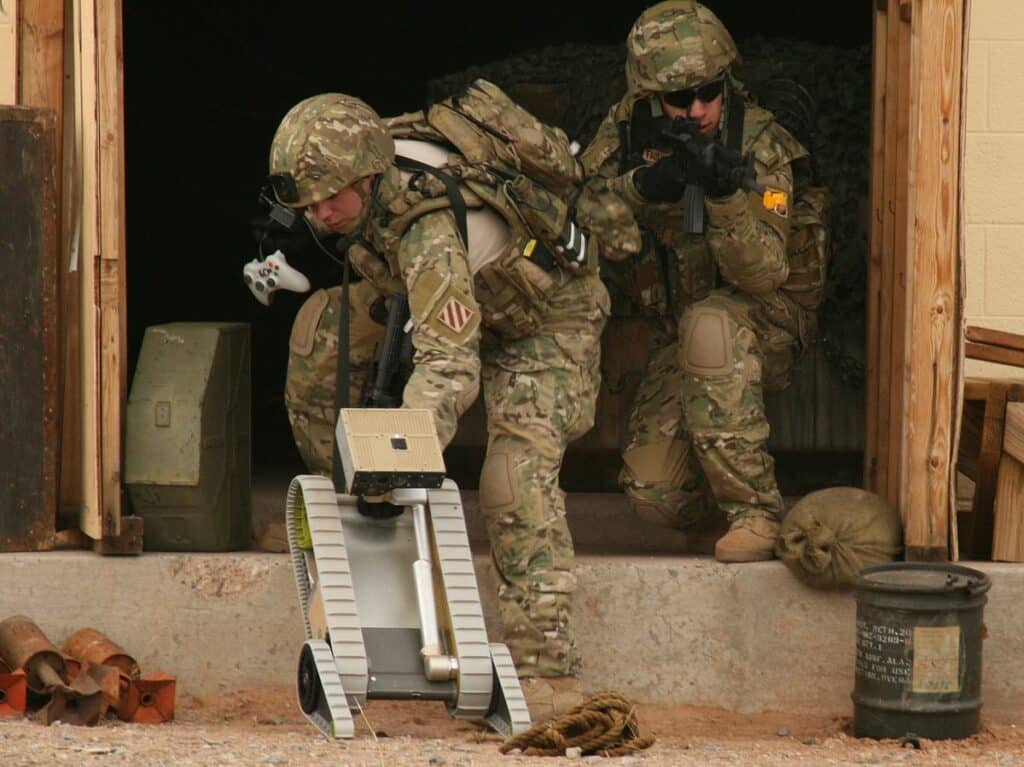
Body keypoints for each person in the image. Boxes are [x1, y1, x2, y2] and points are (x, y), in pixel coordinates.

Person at [267, 90, 610, 720]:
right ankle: (347, 524)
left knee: (515, 475)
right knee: (320, 339)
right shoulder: (355, 181)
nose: (318, 214)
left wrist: (393, 458)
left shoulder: (426, 229)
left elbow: (449, 365)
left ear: (369, 178)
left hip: (543, 316)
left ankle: (545, 668)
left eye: (330, 198)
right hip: (444, 293)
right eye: (305, 203)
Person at [577, 0, 825, 562]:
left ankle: (756, 513)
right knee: (655, 492)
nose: (698, 108)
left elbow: (762, 275)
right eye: (679, 98)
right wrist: (648, 185)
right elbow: (573, 211)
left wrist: (724, 197)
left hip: (766, 321)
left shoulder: (758, 142)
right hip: (679, 332)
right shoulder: (625, 132)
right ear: (649, 97)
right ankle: (718, 502)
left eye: (709, 91)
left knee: (709, 322)